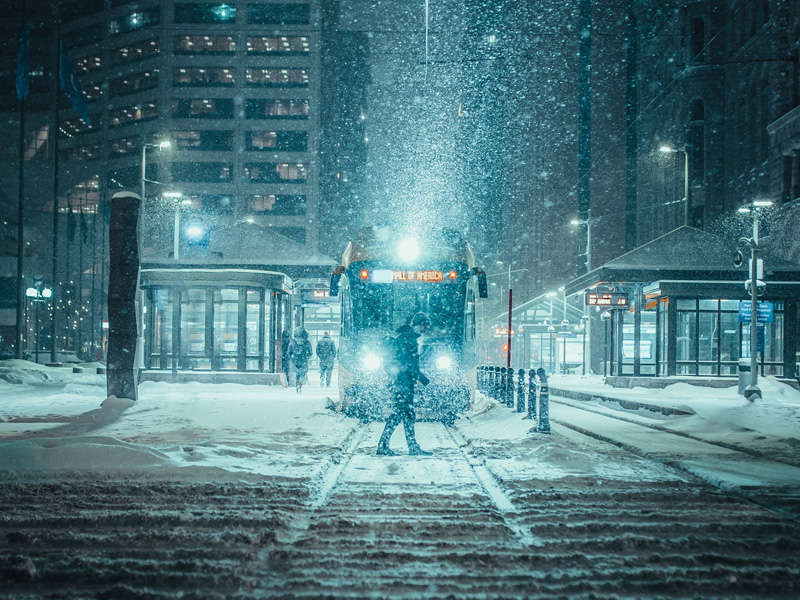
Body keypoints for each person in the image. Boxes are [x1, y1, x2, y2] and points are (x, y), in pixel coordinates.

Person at [377, 312, 432, 456]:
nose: (425, 330)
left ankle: (411, 446)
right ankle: (384, 446)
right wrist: (423, 379)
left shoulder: (405, 337)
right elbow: (410, 364)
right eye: (424, 326)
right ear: (418, 324)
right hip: (403, 383)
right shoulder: (409, 339)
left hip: (402, 382)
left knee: (407, 414)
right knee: (398, 415)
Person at [288, 327, 312, 393]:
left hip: (295, 360)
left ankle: (297, 384)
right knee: (302, 374)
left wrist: (292, 358)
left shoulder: (292, 341)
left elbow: (289, 352)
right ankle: (300, 385)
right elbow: (310, 352)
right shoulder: (306, 342)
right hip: (303, 360)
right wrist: (307, 357)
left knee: (297, 373)